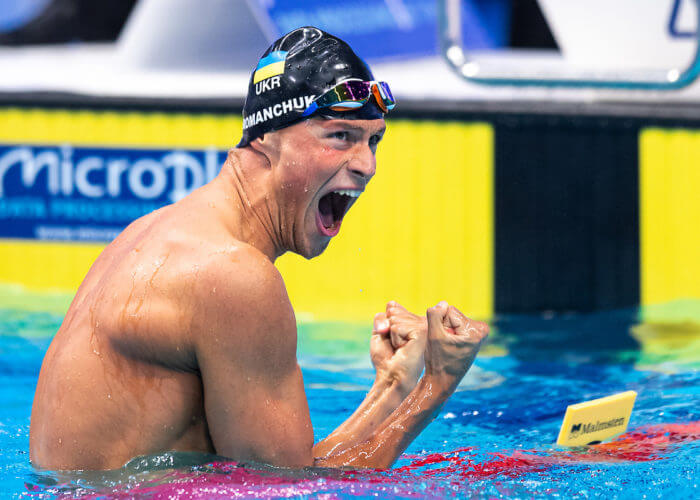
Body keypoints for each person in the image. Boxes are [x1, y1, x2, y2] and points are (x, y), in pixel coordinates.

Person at [29, 27, 489, 471]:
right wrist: (437, 382)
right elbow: (295, 492)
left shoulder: (153, 232)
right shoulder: (232, 277)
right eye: (340, 136)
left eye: (374, 141)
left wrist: (394, 385)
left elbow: (287, 469)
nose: (367, 165)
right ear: (266, 139)